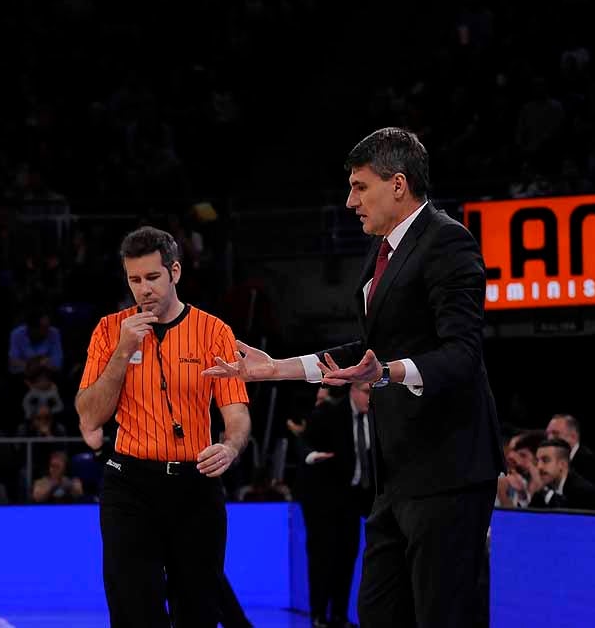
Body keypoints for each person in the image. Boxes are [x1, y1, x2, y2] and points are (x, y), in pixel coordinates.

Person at [203, 127, 505, 627]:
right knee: (378, 611)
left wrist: (385, 372)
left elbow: (462, 355)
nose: (349, 202)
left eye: (360, 186)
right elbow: (365, 351)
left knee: (444, 615)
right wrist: (278, 368)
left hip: (450, 470)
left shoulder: (448, 241)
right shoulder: (381, 251)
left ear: (399, 184)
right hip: (398, 474)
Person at [75, 225, 252, 628]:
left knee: (199, 611)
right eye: (134, 280)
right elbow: (89, 415)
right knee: (134, 610)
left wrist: (230, 446)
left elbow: (236, 412)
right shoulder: (108, 330)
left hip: (195, 486)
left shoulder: (214, 331)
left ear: (174, 272)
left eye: (152, 277)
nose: (144, 289)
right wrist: (122, 351)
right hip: (130, 486)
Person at [296, 382, 375, 628]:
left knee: (347, 556)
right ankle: (319, 615)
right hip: (322, 499)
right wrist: (312, 456)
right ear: (353, 390)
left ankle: (339, 615)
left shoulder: (376, 418)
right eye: (366, 393)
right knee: (322, 557)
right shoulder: (329, 413)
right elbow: (302, 443)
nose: (369, 399)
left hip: (352, 499)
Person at [529, 439, 595, 511]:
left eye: (545, 460)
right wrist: (522, 493)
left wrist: (544, 492)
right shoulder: (544, 488)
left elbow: (569, 520)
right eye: (537, 461)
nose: (539, 467)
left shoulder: (584, 492)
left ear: (562, 464)